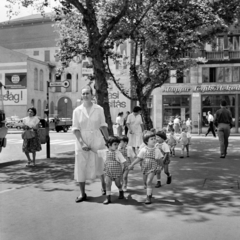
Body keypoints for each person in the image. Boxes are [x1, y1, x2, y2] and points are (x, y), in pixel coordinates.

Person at [72, 85, 109, 203]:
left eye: (88, 93)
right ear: (81, 96)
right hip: (81, 140)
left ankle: (104, 185)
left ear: (92, 95)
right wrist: (82, 143)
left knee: (101, 163)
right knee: (81, 166)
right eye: (83, 93)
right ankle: (82, 193)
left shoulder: (99, 109)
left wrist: (109, 141)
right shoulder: (77, 111)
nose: (85, 95)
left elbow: (103, 125)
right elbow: (76, 129)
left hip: (97, 139)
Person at [129, 131, 163, 204]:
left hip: (153, 168)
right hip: (145, 168)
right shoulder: (143, 150)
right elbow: (139, 158)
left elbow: (160, 160)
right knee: (145, 183)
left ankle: (148, 197)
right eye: (151, 139)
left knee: (148, 181)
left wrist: (160, 167)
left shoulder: (157, 150)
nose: (154, 140)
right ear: (146, 141)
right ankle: (149, 193)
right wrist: (132, 164)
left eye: (154, 138)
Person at [98, 136, 127, 204]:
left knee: (118, 184)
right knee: (108, 184)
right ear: (109, 145)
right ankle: (108, 198)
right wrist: (89, 149)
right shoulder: (104, 152)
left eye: (117, 144)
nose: (117, 146)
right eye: (115, 144)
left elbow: (123, 160)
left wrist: (126, 165)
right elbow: (96, 152)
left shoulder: (118, 153)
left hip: (117, 171)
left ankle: (120, 190)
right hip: (108, 172)